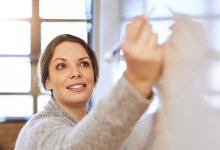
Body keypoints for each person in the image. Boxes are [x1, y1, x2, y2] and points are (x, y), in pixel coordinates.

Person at [14, 15, 163, 150]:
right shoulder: (38, 130)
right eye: (62, 66)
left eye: (84, 64)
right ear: (48, 82)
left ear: (94, 74)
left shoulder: (103, 129)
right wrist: (136, 81)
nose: (76, 73)